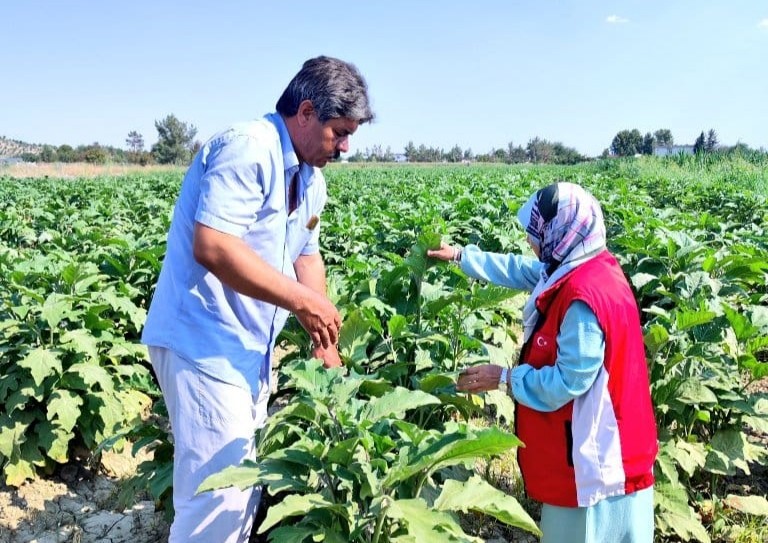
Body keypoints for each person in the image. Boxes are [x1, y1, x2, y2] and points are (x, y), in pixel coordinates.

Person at [141, 55, 374, 543]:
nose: (346, 146)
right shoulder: (248, 148)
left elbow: (307, 258)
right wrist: (301, 304)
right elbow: (214, 245)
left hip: (247, 347)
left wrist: (325, 340)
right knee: (215, 500)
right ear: (306, 112)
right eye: (340, 131)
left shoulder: (311, 180)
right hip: (202, 341)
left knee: (242, 487)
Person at [427, 182, 658, 543]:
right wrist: (460, 256)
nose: (531, 242)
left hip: (594, 464)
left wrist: (504, 378)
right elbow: (522, 269)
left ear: (559, 232)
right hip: (615, 448)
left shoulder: (582, 299)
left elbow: (568, 383)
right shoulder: (589, 264)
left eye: (537, 232)